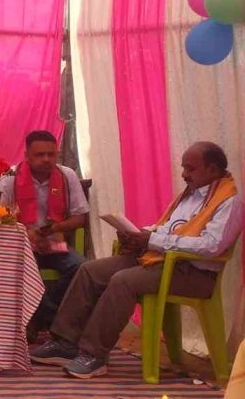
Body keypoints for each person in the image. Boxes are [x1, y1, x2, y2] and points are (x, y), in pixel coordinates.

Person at [31, 142, 243, 379]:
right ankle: (65, 343)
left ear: (213, 169)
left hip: (193, 273)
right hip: (160, 261)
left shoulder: (230, 202)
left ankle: (94, 354)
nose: (184, 174)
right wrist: (138, 234)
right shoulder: (190, 195)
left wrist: (152, 240)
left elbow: (211, 246)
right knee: (89, 270)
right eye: (184, 168)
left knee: (123, 280)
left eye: (190, 169)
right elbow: (168, 229)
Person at [0, 130, 89, 336]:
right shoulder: (9, 179)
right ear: (26, 155)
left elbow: (80, 218)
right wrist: (28, 234)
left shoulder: (67, 176)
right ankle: (55, 320)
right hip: (22, 247)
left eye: (51, 154)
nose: (46, 159)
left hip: (55, 242)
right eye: (40, 155)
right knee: (23, 270)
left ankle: (40, 318)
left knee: (81, 267)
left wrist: (52, 229)